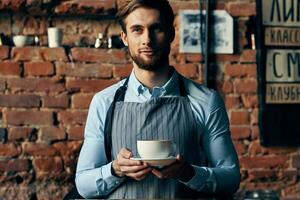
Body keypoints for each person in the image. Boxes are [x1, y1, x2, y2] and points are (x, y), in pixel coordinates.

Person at [75, 0, 240, 198]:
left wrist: (188, 173)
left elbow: (231, 178)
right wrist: (115, 170)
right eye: (137, 29)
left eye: (156, 28)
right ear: (125, 38)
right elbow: (84, 185)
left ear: (171, 34)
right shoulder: (104, 102)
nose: (148, 40)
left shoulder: (206, 101)